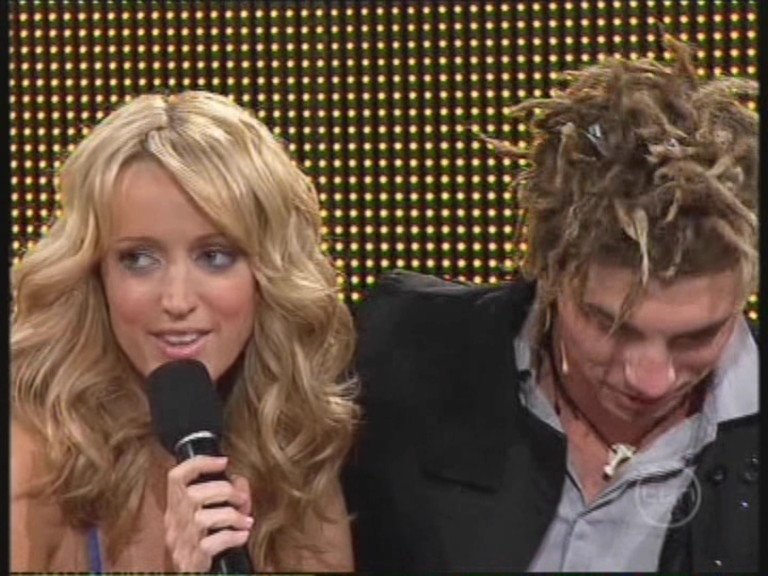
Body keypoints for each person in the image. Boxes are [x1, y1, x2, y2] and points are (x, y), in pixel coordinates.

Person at [343, 37, 758, 572]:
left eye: (697, 337)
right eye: (610, 326)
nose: (651, 380)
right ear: (549, 273)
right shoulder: (399, 350)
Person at [11, 90, 357, 572]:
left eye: (215, 256)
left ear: (267, 276)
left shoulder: (291, 453)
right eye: (139, 259)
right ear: (95, 274)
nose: (176, 301)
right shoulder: (30, 459)